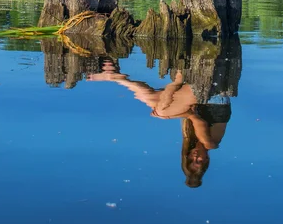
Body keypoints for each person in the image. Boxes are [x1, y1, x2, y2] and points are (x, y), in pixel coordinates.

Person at [87, 60, 230, 188]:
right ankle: (175, 82)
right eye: (199, 161)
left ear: (186, 157)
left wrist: (169, 114)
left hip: (199, 99)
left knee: (153, 100)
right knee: (161, 110)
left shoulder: (190, 138)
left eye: (192, 159)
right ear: (207, 160)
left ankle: (115, 77)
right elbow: (194, 118)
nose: (196, 156)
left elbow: (191, 115)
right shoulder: (209, 143)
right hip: (213, 94)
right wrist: (167, 116)